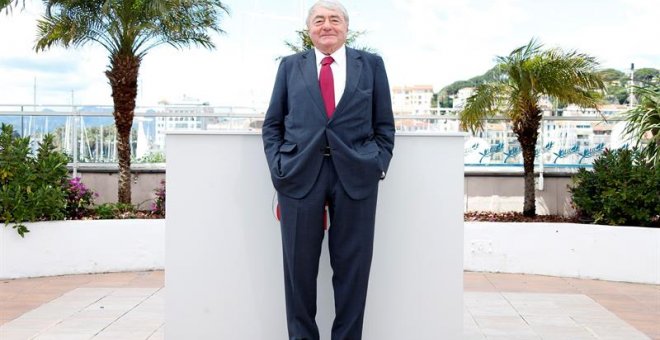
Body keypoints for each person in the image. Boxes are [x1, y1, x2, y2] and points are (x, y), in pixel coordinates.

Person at [262, 0, 395, 339]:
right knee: (298, 271)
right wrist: (279, 168)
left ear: (346, 28)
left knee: (353, 269)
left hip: (356, 176)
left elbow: (384, 125)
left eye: (334, 19)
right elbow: (272, 124)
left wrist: (377, 164)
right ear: (309, 30)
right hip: (299, 175)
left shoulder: (372, 65)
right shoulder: (290, 66)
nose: (327, 25)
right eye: (319, 20)